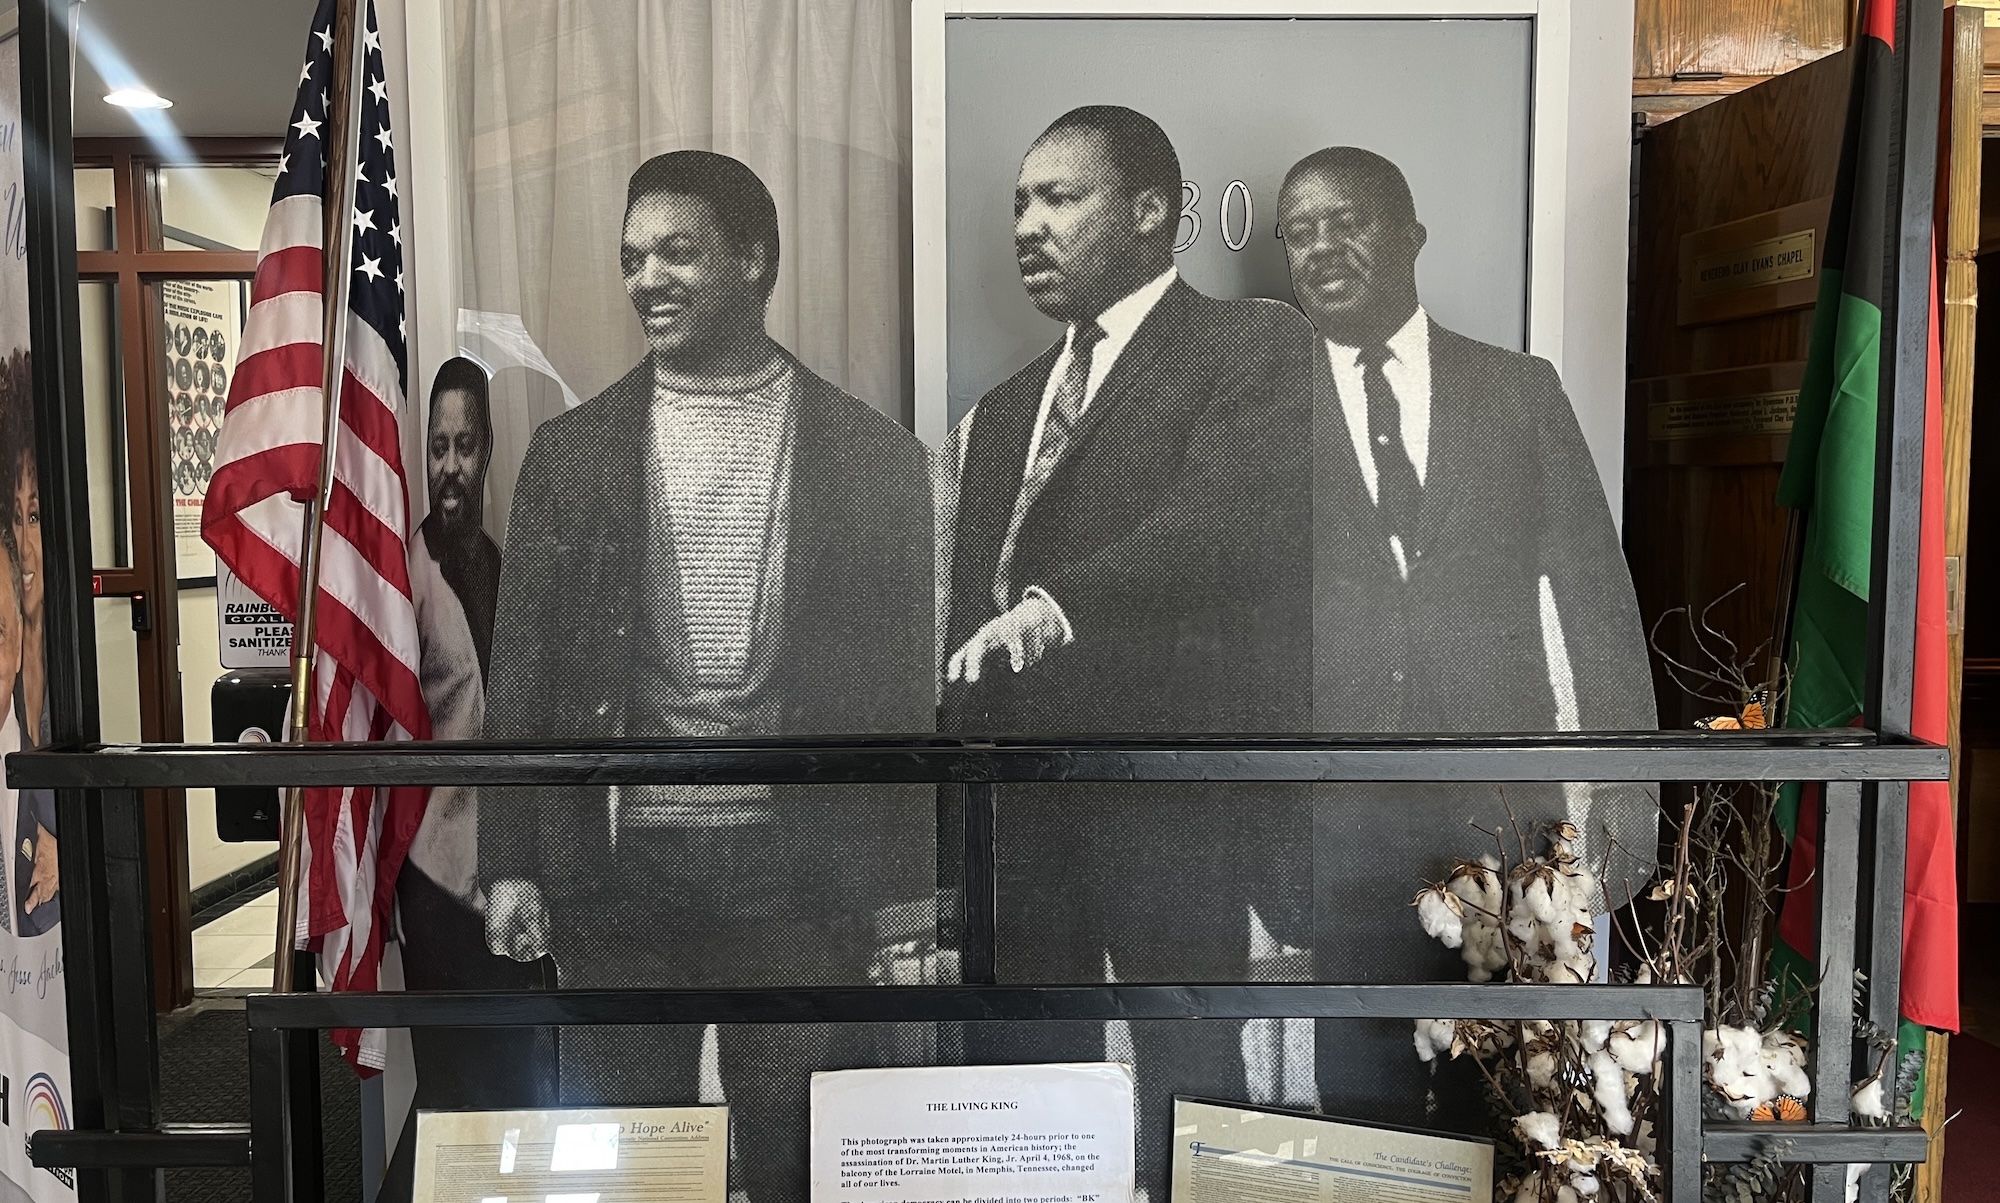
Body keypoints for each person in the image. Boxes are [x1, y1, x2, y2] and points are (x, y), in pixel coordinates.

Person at [480, 150, 933, 1202]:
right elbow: (525, 678)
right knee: (629, 1160)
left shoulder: (872, 459)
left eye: (677, 251)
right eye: (632, 257)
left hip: (801, 876)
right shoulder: (571, 453)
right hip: (616, 871)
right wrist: (512, 859)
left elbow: (898, 698)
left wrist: (909, 896)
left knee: (798, 1153)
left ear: (754, 260)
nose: (647, 279)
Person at [941, 106, 1314, 1193]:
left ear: (1151, 212)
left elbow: (1224, 525)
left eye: (1060, 197)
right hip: (1019, 821)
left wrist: (1057, 609)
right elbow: (966, 621)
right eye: (1019, 201)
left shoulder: (1250, 345)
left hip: (1170, 806)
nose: (1027, 225)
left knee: (1189, 1085)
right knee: (1020, 1092)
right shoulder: (1005, 410)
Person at [1275, 146, 1657, 1123]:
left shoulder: (1516, 394)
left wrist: (1621, 822)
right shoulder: (1256, 420)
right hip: (1337, 837)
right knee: (1356, 1103)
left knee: (1507, 1098)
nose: (1319, 245)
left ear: (1409, 235)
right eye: (1297, 230)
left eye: (1343, 220)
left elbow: (1596, 606)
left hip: (1497, 830)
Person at [416, 357, 503, 675]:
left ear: (486, 447)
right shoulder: (408, 581)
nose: (450, 467)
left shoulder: (496, 565)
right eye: (439, 448)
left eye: (465, 447)